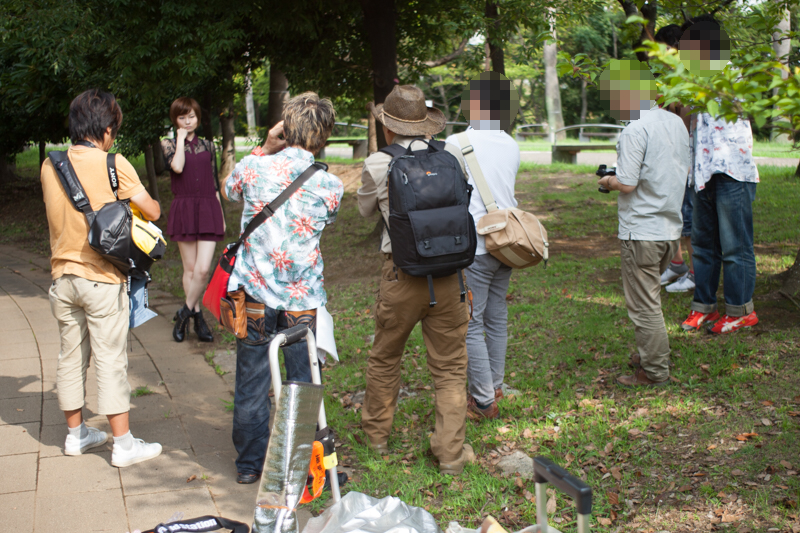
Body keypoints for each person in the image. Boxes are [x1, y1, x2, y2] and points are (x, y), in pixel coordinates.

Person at [221, 92, 343, 484]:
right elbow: (329, 219)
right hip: (301, 299)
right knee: (301, 382)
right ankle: (297, 463)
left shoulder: (253, 168)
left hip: (253, 294)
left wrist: (265, 146)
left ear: (285, 128)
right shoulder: (330, 185)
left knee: (251, 378)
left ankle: (249, 464)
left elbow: (229, 190)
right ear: (324, 136)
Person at [40, 89, 163, 466]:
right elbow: (153, 211)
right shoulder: (113, 163)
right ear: (107, 129)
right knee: (111, 360)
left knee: (70, 356)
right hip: (102, 278)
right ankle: (123, 445)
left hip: (62, 278)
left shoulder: (50, 165)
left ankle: (76, 436)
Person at [358, 84, 474, 475]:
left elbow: (365, 211)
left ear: (388, 127)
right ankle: (450, 455)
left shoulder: (379, 163)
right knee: (450, 367)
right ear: (425, 124)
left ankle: (376, 438)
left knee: (385, 357)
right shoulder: (451, 154)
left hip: (401, 274)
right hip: (450, 274)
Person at [595, 62, 691, 387]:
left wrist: (607, 181)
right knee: (650, 300)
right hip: (670, 228)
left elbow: (626, 183)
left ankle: (654, 371)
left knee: (644, 306)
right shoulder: (676, 122)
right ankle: (650, 355)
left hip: (641, 231)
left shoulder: (635, 129)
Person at [444, 72, 520, 420]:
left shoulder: (456, 142)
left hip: (475, 242)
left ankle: (483, 400)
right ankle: (495, 385)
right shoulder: (510, 143)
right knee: (497, 316)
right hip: (507, 241)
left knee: (472, 322)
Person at [677, 16, 759, 334]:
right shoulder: (692, 80)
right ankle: (704, 307)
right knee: (702, 245)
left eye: (687, 47)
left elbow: (741, 107)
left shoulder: (732, 72)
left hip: (732, 172)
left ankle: (741, 311)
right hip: (701, 172)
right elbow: (687, 120)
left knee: (736, 246)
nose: (683, 53)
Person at [161, 97, 225, 343]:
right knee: (189, 269)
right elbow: (177, 167)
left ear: (198, 117)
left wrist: (220, 215)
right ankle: (198, 318)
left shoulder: (208, 145)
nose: (188, 121)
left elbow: (214, 181)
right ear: (175, 120)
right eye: (182, 117)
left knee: (203, 269)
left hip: (208, 207)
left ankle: (184, 313)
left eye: (192, 116)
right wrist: (179, 140)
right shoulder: (168, 144)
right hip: (185, 208)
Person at [654, 24, 696, 293]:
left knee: (689, 219)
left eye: (665, 50)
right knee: (674, 214)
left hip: (690, 161)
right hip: (672, 158)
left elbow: (684, 122)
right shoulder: (670, 79)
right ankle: (678, 264)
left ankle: (694, 273)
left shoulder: (692, 79)